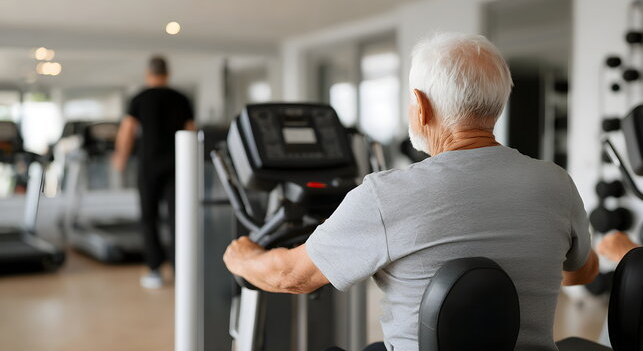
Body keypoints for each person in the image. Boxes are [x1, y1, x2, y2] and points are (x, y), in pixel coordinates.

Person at [221, 32, 599, 351]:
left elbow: (291, 276)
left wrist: (243, 258)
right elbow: (580, 273)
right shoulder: (556, 183)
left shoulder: (386, 195)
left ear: (420, 106)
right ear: (497, 105)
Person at [113, 55, 195, 289]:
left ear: (148, 74)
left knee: (149, 217)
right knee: (178, 217)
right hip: (178, 165)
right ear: (168, 73)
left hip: (149, 165)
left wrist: (121, 158)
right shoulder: (181, 98)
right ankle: (182, 270)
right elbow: (191, 130)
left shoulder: (139, 98)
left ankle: (154, 270)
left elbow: (127, 131)